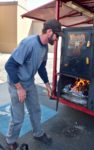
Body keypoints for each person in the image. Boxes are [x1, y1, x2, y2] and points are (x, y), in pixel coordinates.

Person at [5, 19, 63, 150]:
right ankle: (11, 140)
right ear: (49, 32)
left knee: (35, 110)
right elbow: (9, 66)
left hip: (29, 82)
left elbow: (41, 67)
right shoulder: (28, 43)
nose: (57, 38)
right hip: (16, 83)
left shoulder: (44, 47)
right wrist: (19, 88)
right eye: (56, 35)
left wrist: (48, 85)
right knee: (18, 117)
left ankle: (38, 133)